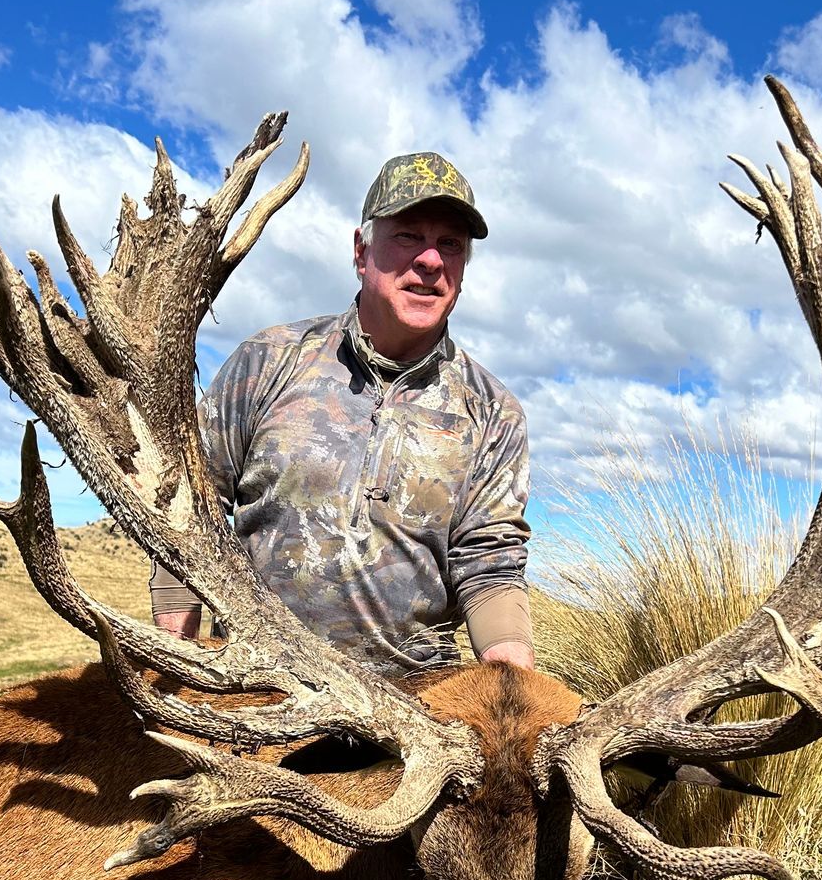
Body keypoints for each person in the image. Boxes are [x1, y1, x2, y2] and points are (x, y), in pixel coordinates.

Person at [149, 151, 534, 675]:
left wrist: (515, 685)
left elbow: (490, 564)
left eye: (451, 245)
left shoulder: (493, 413)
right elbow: (189, 503)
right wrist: (178, 657)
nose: (430, 260)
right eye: (408, 237)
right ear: (361, 251)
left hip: (411, 718)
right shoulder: (267, 360)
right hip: (259, 690)